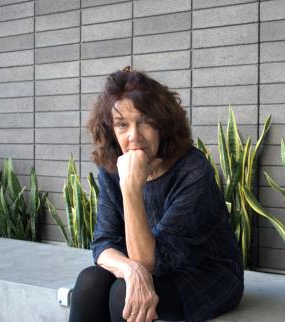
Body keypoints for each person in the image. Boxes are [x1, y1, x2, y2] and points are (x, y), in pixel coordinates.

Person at [68, 67, 244, 322]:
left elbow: (151, 261)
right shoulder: (112, 167)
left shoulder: (192, 171)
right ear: (110, 129)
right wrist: (130, 270)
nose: (134, 136)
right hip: (150, 266)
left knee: (122, 295)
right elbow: (103, 243)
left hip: (204, 274)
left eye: (145, 122)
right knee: (89, 283)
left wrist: (130, 188)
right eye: (122, 124)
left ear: (163, 124)